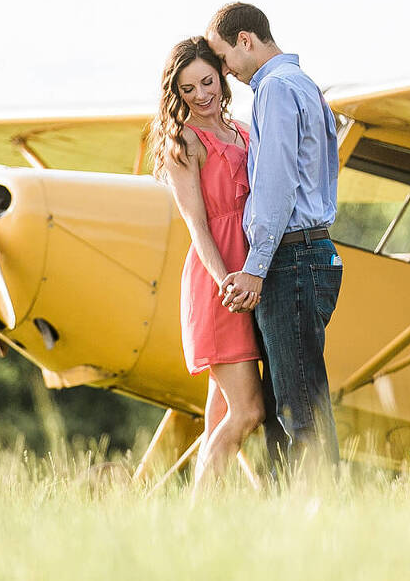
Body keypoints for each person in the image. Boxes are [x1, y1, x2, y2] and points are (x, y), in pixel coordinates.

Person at [205, 3, 342, 473]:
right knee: (289, 402)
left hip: (292, 258)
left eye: (223, 59)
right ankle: (293, 514)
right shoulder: (304, 86)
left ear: (246, 40)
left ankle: (323, 515)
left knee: (299, 407)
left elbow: (275, 185)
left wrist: (255, 266)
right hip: (309, 253)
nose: (225, 72)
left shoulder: (275, 91)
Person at [152, 36, 264, 487]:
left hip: (253, 276)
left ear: (221, 75)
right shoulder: (183, 143)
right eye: (187, 89)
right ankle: (200, 513)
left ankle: (199, 519)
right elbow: (198, 225)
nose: (201, 95)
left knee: (221, 411)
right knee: (248, 411)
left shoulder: (244, 131)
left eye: (206, 81)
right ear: (175, 94)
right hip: (221, 286)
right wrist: (227, 283)